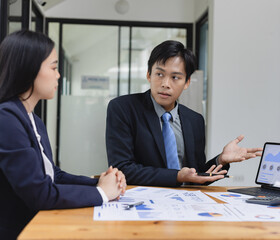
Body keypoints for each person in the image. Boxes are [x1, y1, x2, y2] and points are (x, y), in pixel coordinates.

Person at [0, 30, 126, 239]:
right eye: (54, 67)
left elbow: (53, 175)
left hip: (34, 225)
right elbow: (40, 193)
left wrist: (101, 181)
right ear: (28, 69)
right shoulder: (5, 119)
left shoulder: (31, 118)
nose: (58, 75)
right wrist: (102, 193)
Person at [106, 40, 262, 187]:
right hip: (141, 202)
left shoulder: (195, 120)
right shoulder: (123, 109)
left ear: (187, 82)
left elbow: (196, 175)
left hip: (185, 204)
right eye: (159, 74)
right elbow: (122, 168)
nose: (165, 84)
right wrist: (177, 176)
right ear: (149, 75)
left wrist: (221, 159)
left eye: (175, 77)